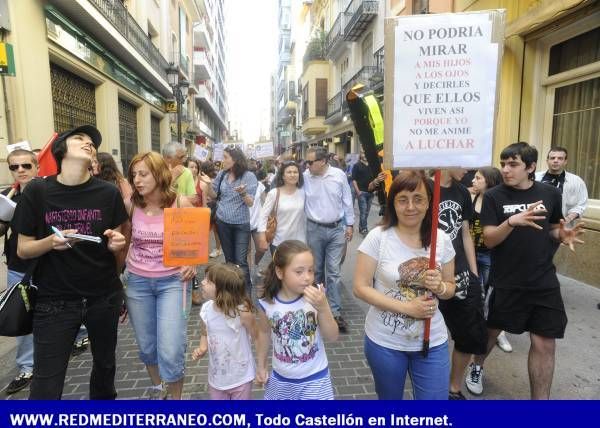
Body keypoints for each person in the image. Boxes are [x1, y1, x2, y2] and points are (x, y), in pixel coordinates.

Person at [15, 125, 128, 399]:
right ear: (60, 150)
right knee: (46, 383)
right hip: (55, 302)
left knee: (104, 370)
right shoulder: (38, 191)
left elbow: (120, 247)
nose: (88, 143)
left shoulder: (108, 193)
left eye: (92, 142)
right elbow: (23, 249)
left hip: (103, 298)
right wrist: (50, 243)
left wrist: (117, 246)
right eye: (80, 139)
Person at [467, 142, 584, 399]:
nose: (506, 169)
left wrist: (561, 234)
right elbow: (488, 240)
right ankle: (476, 365)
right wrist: (511, 221)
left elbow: (552, 228)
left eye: (513, 164)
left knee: (544, 342)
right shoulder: (495, 196)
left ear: (530, 167)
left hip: (543, 280)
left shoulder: (550, 194)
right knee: (492, 331)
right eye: (503, 163)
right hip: (507, 280)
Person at [353, 171, 456, 399]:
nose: (411, 206)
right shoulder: (378, 237)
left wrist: (440, 288)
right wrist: (407, 308)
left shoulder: (442, 239)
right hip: (384, 342)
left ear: (429, 202)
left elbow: (450, 288)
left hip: (432, 341)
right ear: (393, 203)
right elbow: (360, 287)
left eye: (418, 199)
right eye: (403, 199)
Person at [123, 152, 196, 400]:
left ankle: (176, 401)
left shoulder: (180, 204)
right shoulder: (131, 204)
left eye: (143, 174)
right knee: (147, 345)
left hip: (172, 283)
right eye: (134, 175)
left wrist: (192, 262)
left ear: (159, 174)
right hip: (137, 283)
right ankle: (158, 388)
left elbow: (194, 239)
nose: (137, 180)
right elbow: (122, 238)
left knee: (172, 347)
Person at [256, 240, 339, 400]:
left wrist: (323, 307)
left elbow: (332, 336)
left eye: (310, 270)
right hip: (281, 379)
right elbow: (264, 333)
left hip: (315, 379)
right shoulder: (267, 303)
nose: (307, 277)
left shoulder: (317, 297)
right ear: (280, 273)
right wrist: (261, 365)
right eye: (299, 272)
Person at [436, 169, 486, 400]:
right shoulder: (424, 187)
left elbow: (465, 232)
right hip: (430, 276)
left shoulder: (462, 192)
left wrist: (474, 273)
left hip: (461, 273)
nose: (467, 168)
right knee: (424, 336)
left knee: (468, 332)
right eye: (464, 162)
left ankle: (453, 389)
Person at [303, 147, 354, 333]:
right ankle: (316, 308)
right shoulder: (305, 177)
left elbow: (347, 201)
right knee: (316, 271)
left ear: (323, 161)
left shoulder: (339, 175)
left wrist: (350, 225)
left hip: (336, 230)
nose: (307, 166)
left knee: (333, 272)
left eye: (310, 162)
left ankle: (335, 312)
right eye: (306, 162)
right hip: (314, 229)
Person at [1, 149, 38, 394]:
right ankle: (27, 367)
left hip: (49, 266)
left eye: (26, 165)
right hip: (18, 268)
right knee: (21, 318)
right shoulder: (7, 196)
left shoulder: (48, 192)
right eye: (15, 167)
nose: (20, 170)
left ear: (37, 166)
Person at [192, 263, 259, 399]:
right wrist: (202, 347)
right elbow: (205, 332)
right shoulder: (206, 309)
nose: (202, 282)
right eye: (204, 279)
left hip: (241, 376)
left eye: (209, 281)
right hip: (217, 379)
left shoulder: (242, 312)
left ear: (224, 291)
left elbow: (256, 336)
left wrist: (261, 366)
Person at [202, 147, 257, 296]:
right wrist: (207, 184)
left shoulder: (249, 176)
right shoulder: (222, 174)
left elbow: (250, 202)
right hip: (222, 222)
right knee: (229, 261)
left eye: (225, 157)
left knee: (241, 261)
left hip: (241, 224)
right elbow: (214, 195)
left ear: (235, 159)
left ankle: (246, 297)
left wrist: (243, 193)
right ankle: (233, 294)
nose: (222, 160)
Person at [470, 167, 512, 353]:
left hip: (490, 255)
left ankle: (498, 332)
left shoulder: (497, 201)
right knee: (476, 292)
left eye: (478, 178)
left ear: (489, 180)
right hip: (472, 252)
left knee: (491, 295)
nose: (473, 181)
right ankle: (478, 330)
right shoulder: (472, 197)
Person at [257, 161, 306, 254]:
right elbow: (263, 216)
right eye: (289, 172)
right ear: (283, 176)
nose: (293, 175)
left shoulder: (303, 193)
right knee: (280, 268)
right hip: (279, 242)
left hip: (299, 242)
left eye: (295, 172)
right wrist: (262, 238)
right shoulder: (274, 193)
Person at [535, 147, 588, 226]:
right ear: (547, 161)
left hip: (561, 228)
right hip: (537, 224)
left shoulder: (577, 181)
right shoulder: (535, 177)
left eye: (560, 158)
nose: (555, 161)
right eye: (552, 158)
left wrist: (567, 219)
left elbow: (581, 204)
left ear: (565, 161)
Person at [200, 161, 222, 258]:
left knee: (212, 230)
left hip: (211, 205)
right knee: (214, 230)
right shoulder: (214, 178)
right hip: (209, 205)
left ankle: (216, 249)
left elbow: (215, 195)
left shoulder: (212, 179)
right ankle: (216, 249)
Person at [351, 151, 377, 236]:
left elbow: (375, 179)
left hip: (371, 192)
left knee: (367, 212)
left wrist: (375, 189)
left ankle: (361, 227)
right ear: (360, 155)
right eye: (363, 153)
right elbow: (353, 179)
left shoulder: (371, 166)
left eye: (366, 153)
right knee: (363, 211)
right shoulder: (356, 165)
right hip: (361, 192)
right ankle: (364, 229)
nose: (365, 155)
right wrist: (358, 191)